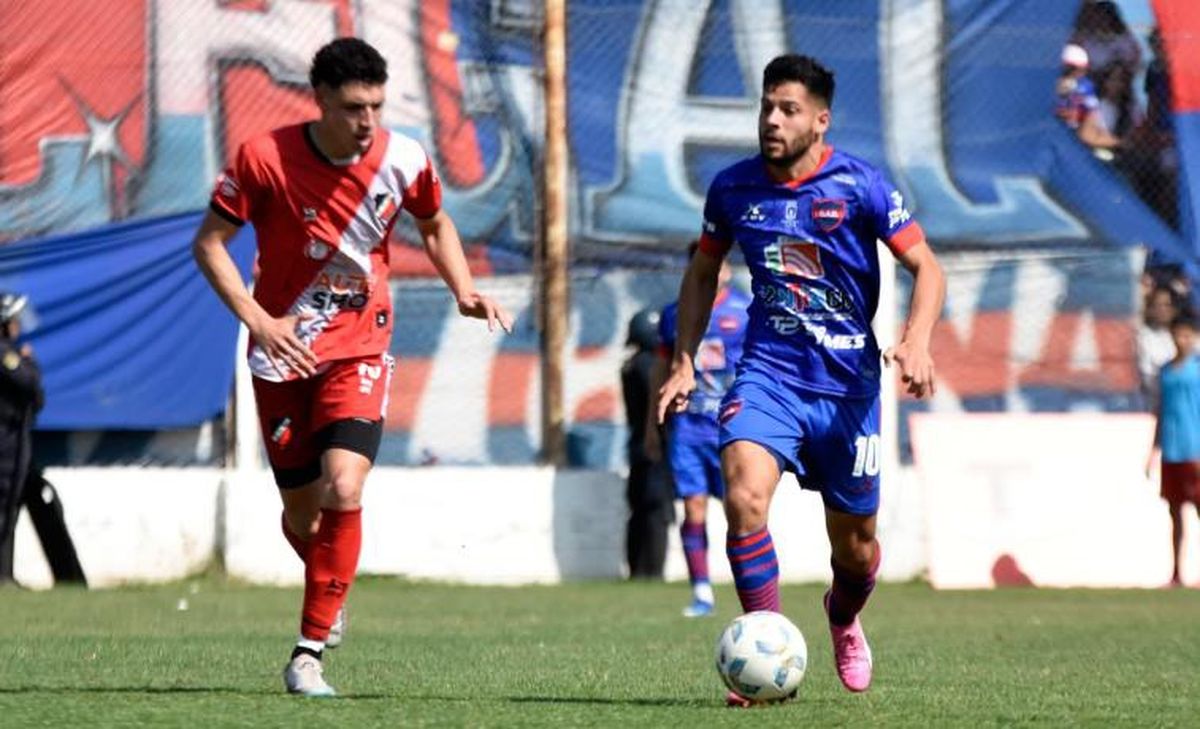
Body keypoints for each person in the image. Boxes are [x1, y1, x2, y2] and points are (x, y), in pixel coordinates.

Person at [192, 37, 512, 697]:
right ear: (320, 101)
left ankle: (306, 654)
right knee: (304, 519)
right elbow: (211, 244)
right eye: (352, 107)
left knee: (345, 486)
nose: (367, 121)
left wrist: (464, 287)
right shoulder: (264, 158)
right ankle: (329, 584)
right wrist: (259, 319)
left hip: (361, 346)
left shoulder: (404, 158)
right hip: (280, 354)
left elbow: (434, 223)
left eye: (375, 105)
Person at [657, 54, 944, 700]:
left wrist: (917, 339)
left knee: (858, 550)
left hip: (848, 390)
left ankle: (842, 618)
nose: (772, 119)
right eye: (766, 105)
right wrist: (683, 358)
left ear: (820, 120)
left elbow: (928, 267)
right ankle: (766, 647)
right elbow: (704, 271)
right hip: (769, 375)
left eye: (787, 109)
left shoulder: (861, 186)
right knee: (744, 496)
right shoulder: (733, 190)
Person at [644, 245, 749, 617]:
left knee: (742, 513)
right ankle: (702, 591)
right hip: (688, 427)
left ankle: (750, 589)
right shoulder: (675, 315)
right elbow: (662, 369)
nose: (715, 270)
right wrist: (653, 426)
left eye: (720, 264)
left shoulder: (745, 310)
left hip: (731, 427)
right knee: (694, 509)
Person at [620, 308, 673, 580]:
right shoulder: (647, 366)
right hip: (654, 448)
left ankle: (638, 570)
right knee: (656, 511)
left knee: (640, 510)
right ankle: (651, 571)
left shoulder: (631, 364)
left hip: (637, 446)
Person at [1151, 315, 1200, 588]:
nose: (1182, 340)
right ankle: (1177, 573)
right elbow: (1160, 411)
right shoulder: (1166, 370)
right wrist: (1153, 450)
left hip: (1196, 450)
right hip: (1172, 451)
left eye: (1187, 335)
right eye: (1177, 334)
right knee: (1175, 515)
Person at [0, 292, 44, 585]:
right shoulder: (5, 354)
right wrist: (29, 364)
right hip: (5, 440)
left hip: (15, 438)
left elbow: (36, 398)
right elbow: (27, 382)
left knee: (10, 508)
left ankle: (5, 574)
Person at [1055, 44, 1121, 154]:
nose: (1080, 73)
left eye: (1082, 69)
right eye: (1070, 69)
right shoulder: (1048, 86)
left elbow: (1089, 127)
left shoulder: (1085, 87)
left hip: (1074, 139)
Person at [1137, 287, 1180, 413]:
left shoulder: (1187, 337)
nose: (1163, 310)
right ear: (1150, 308)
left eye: (1167, 305)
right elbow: (1147, 379)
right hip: (1154, 407)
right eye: (1158, 305)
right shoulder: (1143, 337)